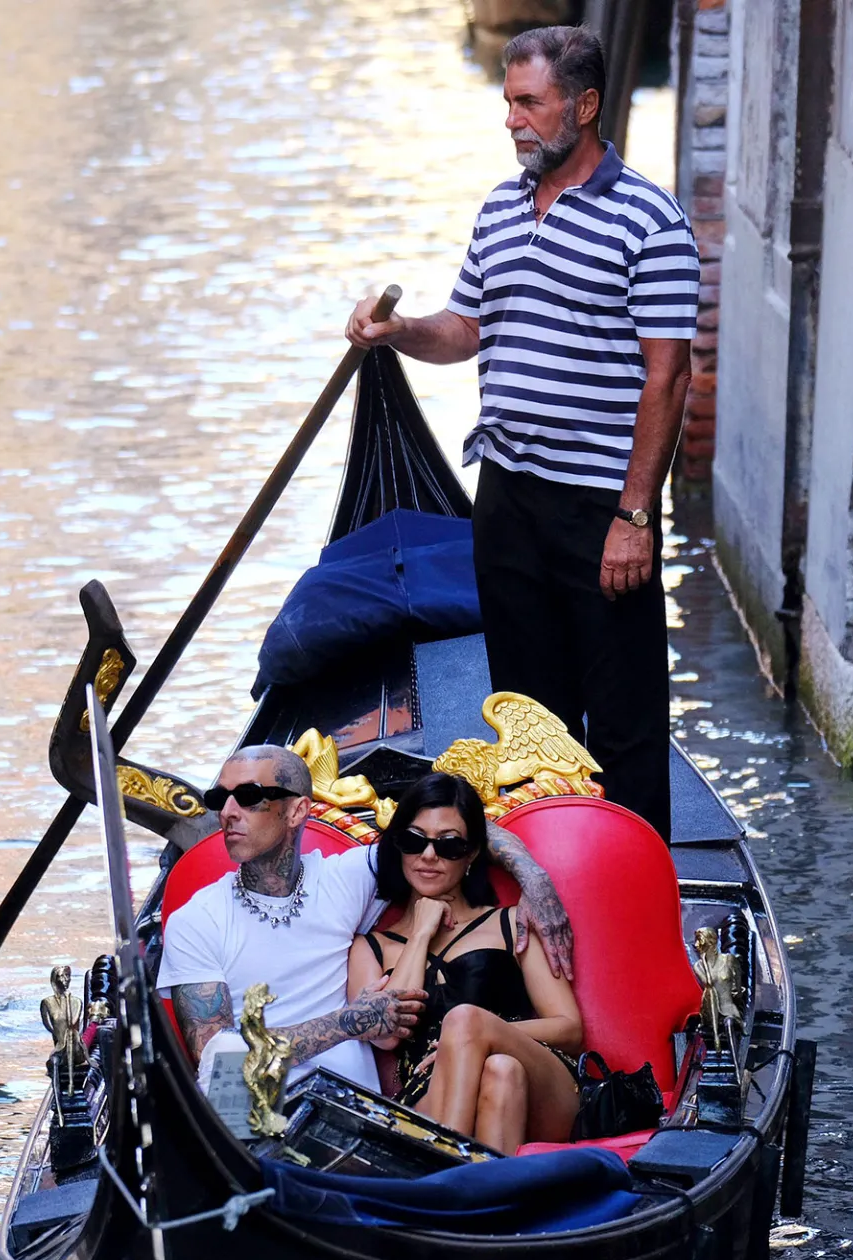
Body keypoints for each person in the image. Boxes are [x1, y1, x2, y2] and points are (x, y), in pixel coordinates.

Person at [345, 25, 698, 843]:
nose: (512, 120)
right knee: (527, 718)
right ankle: (541, 875)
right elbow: (466, 328)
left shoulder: (650, 222)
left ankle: (630, 886)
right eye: (509, 103)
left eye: (529, 103)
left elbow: (669, 378)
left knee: (623, 722)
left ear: (584, 104)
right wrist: (397, 332)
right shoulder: (502, 207)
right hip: (506, 495)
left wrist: (634, 516)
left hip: (600, 504)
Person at [158, 745, 575, 1091]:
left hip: (360, 1116)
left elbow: (450, 828)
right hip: (257, 1120)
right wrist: (349, 1022)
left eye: (249, 796)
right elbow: (218, 1065)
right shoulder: (195, 921)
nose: (227, 812)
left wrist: (534, 879)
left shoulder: (347, 878)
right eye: (219, 799)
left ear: (298, 810)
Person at [346, 772, 582, 1154]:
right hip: (429, 1092)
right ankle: (480, 1188)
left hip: (544, 1086)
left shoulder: (511, 923)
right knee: (500, 1072)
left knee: (476, 1032)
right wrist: (420, 932)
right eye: (414, 841)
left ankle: (443, 1173)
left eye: (449, 846)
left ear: (472, 854)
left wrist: (473, 1037)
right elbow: (387, 1035)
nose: (428, 856)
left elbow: (569, 1027)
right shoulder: (369, 947)